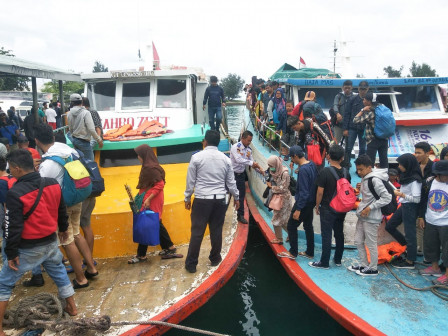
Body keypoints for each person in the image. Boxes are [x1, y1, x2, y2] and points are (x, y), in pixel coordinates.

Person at [0, 150, 77, 336]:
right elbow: (61, 209)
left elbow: (12, 227)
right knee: (59, 272)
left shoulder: (16, 193)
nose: (10, 171)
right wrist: (64, 228)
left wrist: (11, 254)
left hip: (28, 247)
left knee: (4, 284)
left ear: (17, 168)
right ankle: (73, 308)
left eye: (11, 168)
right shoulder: (52, 184)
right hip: (50, 242)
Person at [33, 124, 98, 289]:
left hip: (64, 204)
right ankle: (91, 268)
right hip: (78, 197)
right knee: (76, 233)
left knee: (67, 240)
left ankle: (81, 278)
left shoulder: (47, 164)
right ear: (53, 137)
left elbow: (39, 187)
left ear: (36, 141)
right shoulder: (67, 149)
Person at [184, 130, 239, 273]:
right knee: (216, 230)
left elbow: (190, 181)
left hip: (202, 200)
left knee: (197, 232)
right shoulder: (225, 159)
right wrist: (237, 198)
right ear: (218, 143)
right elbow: (231, 183)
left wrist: (187, 198)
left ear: (205, 142)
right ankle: (215, 259)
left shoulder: (196, 158)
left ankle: (191, 264)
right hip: (220, 200)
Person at [128, 144, 181, 264]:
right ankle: (169, 247)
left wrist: (148, 199)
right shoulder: (151, 166)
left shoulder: (150, 168)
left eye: (139, 155)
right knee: (155, 222)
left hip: (152, 199)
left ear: (144, 155)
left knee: (146, 223)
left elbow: (160, 184)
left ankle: (141, 255)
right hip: (150, 198)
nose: (138, 157)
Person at [349, 155, 391, 276]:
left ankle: (373, 268)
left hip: (372, 217)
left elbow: (386, 197)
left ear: (369, 168)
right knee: (358, 240)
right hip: (363, 216)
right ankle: (363, 264)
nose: (359, 172)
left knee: (371, 243)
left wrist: (370, 207)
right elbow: (368, 196)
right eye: (358, 169)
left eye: (361, 169)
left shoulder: (375, 180)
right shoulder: (366, 178)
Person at [311, 144, 349, 269]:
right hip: (342, 208)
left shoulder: (325, 172)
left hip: (328, 208)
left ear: (328, 156)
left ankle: (324, 262)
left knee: (326, 234)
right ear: (342, 158)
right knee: (339, 233)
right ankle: (338, 259)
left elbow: (320, 192)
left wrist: (317, 206)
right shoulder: (346, 172)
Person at [277, 146, 317, 260]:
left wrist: (298, 209)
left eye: (291, 158)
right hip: (311, 202)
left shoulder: (303, 170)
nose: (291, 160)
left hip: (303, 203)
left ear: (295, 156)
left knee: (291, 225)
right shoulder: (311, 165)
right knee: (308, 226)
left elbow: (304, 192)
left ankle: (293, 252)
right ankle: (310, 251)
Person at [385, 153, 422, 269]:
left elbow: (416, 199)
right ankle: (407, 247)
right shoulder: (406, 176)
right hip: (404, 205)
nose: (399, 166)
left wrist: (401, 194)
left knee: (410, 233)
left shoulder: (415, 180)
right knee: (390, 226)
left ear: (407, 165)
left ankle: (410, 260)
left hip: (410, 206)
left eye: (401, 164)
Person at [418, 160, 448, 285]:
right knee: (431, 246)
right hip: (430, 220)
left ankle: (447, 275)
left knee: (447, 250)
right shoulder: (429, 182)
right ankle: (435, 267)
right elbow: (423, 200)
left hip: (446, 222)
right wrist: (421, 217)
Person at [230, 130, 260, 224]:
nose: (249, 142)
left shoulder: (248, 150)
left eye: (250, 141)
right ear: (242, 138)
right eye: (248, 140)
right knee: (228, 194)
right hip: (231, 174)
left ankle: (240, 215)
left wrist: (260, 170)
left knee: (241, 195)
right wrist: (252, 163)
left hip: (241, 175)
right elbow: (239, 160)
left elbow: (251, 162)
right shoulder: (236, 147)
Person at [352, 92, 389, 168]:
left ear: (369, 102)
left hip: (373, 140)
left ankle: (370, 178)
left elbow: (355, 120)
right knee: (384, 160)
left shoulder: (371, 113)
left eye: (364, 100)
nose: (363, 101)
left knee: (370, 161)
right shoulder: (383, 107)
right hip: (384, 138)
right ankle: (385, 177)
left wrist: (362, 110)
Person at [67, 93, 103, 161]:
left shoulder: (69, 113)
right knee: (90, 163)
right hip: (84, 141)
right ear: (82, 102)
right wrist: (99, 140)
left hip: (75, 140)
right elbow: (91, 129)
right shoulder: (86, 113)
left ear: (71, 102)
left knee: (80, 161)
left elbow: (70, 129)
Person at [266, 155, 292, 244]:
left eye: (271, 166)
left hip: (283, 199)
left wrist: (272, 187)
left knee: (276, 219)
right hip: (280, 197)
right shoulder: (277, 170)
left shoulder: (284, 173)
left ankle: (279, 239)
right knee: (284, 219)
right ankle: (291, 235)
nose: (270, 168)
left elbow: (284, 188)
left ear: (275, 164)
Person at [343, 81, 370, 167]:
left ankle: (360, 167)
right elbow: (347, 114)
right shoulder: (352, 99)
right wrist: (345, 129)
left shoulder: (370, 100)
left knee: (363, 149)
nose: (363, 91)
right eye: (361, 89)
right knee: (348, 148)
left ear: (367, 89)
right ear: (358, 89)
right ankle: (346, 165)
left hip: (364, 129)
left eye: (364, 89)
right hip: (352, 127)